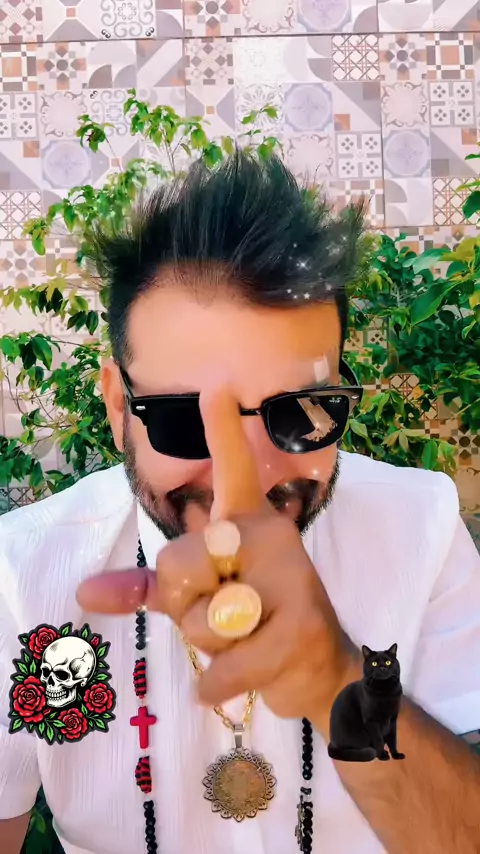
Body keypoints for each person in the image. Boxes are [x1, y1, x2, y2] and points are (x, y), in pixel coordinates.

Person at [1, 152, 479, 854]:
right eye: (185, 419)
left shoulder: (420, 530)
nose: (247, 479)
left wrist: (336, 680)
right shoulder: (22, 577)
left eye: (300, 411)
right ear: (117, 406)